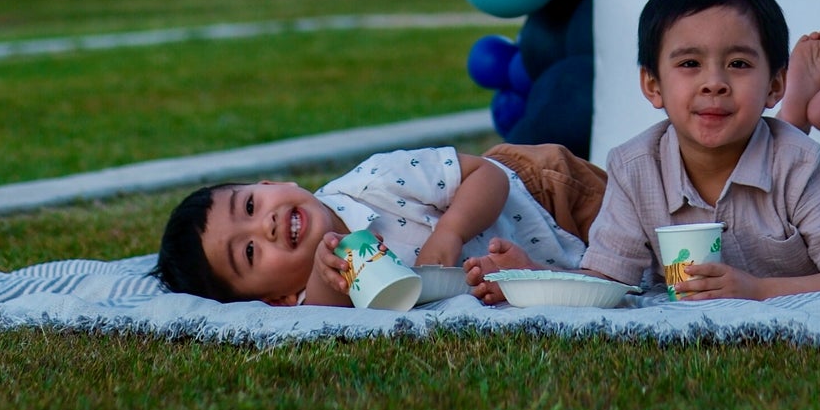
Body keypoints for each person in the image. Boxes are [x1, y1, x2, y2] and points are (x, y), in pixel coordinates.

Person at [466, 0, 820, 302]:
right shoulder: (633, 166)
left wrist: (754, 290)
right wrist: (531, 278)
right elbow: (611, 284)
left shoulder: (803, 165)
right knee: (763, 139)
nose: (713, 80)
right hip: (773, 172)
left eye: (738, 63)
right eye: (689, 64)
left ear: (771, 81)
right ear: (652, 85)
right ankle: (792, 114)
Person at [154, 139, 606, 307]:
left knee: (650, 228)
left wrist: (451, 231)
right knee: (618, 284)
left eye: (250, 205)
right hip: (529, 262)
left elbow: (485, 175)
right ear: (278, 300)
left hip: (544, 194)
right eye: (249, 252)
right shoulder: (320, 295)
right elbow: (324, 320)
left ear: (275, 182)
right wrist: (323, 277)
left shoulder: (375, 181)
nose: (265, 226)